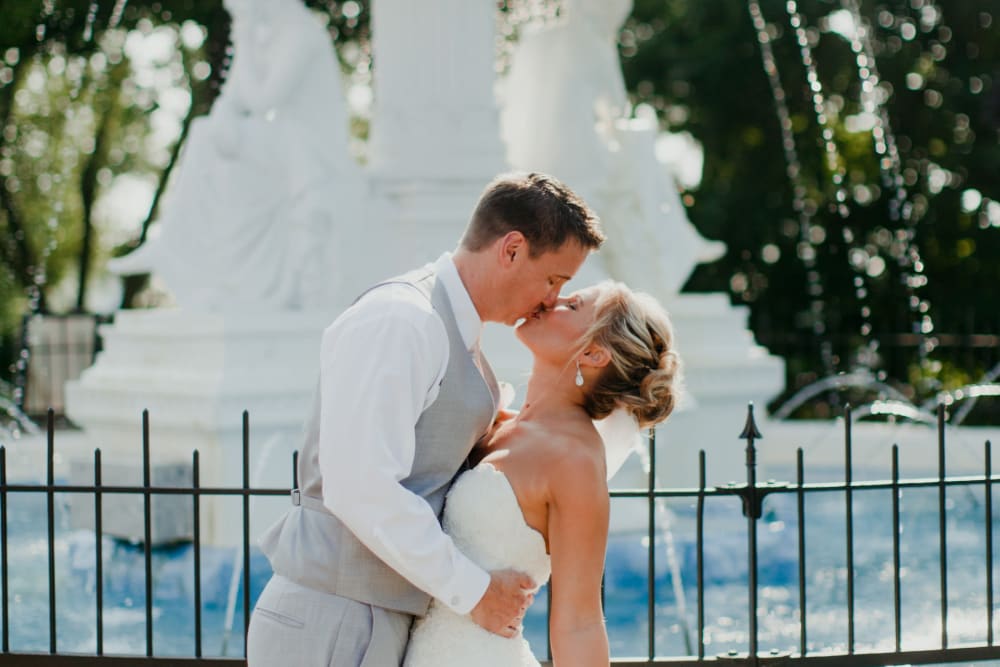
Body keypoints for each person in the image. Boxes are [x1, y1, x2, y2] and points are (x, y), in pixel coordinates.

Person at [246, 172, 605, 666]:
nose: (550, 299)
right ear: (512, 249)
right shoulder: (402, 320)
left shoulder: (457, 334)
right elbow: (360, 486)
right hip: (332, 619)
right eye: (554, 280)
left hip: (376, 620)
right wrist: (476, 591)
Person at [402, 280, 681, 667]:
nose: (552, 299)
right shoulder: (500, 421)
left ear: (594, 353)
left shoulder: (575, 460)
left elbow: (579, 623)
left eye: (573, 304)